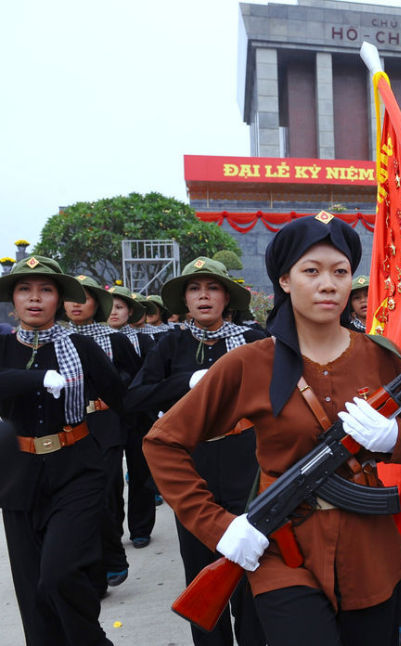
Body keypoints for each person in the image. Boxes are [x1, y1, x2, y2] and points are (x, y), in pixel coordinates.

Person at [143, 218, 401, 646]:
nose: (328, 284)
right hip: (283, 551)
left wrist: (395, 438)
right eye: (312, 271)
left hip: (369, 552)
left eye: (340, 272)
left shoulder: (380, 357)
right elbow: (163, 442)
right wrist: (218, 526)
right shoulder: (249, 363)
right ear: (284, 281)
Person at [130, 257, 268, 646]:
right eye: (194, 289)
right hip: (193, 467)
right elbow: (136, 397)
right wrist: (187, 382)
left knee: (253, 566)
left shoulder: (255, 341)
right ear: (185, 300)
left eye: (212, 288)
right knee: (201, 570)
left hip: (249, 463)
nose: (203, 296)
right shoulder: (169, 344)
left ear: (227, 297)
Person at [0, 256, 126, 646]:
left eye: (46, 290)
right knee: (33, 594)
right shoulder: (3, 346)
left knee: (60, 574)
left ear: (59, 299)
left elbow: (125, 397)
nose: (34, 298)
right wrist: (38, 378)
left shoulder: (81, 346)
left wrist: (186, 394)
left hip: (77, 472)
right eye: (25, 289)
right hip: (18, 477)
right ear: (13, 299)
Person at [63, 275, 142, 594]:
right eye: (71, 298)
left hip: (107, 424)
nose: (76, 304)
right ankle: (91, 567)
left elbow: (136, 380)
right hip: (70, 427)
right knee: (78, 500)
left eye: (84, 298)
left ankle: (113, 559)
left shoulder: (114, 339)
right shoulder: (56, 339)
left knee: (106, 492)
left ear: (97, 303)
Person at [108, 285, 159, 548]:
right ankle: (112, 530)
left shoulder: (144, 340)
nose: (113, 312)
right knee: (110, 478)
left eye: (119, 307)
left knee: (140, 471)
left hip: (139, 415)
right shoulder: (93, 340)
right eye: (109, 307)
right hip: (107, 418)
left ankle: (141, 528)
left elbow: (150, 376)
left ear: (130, 311)